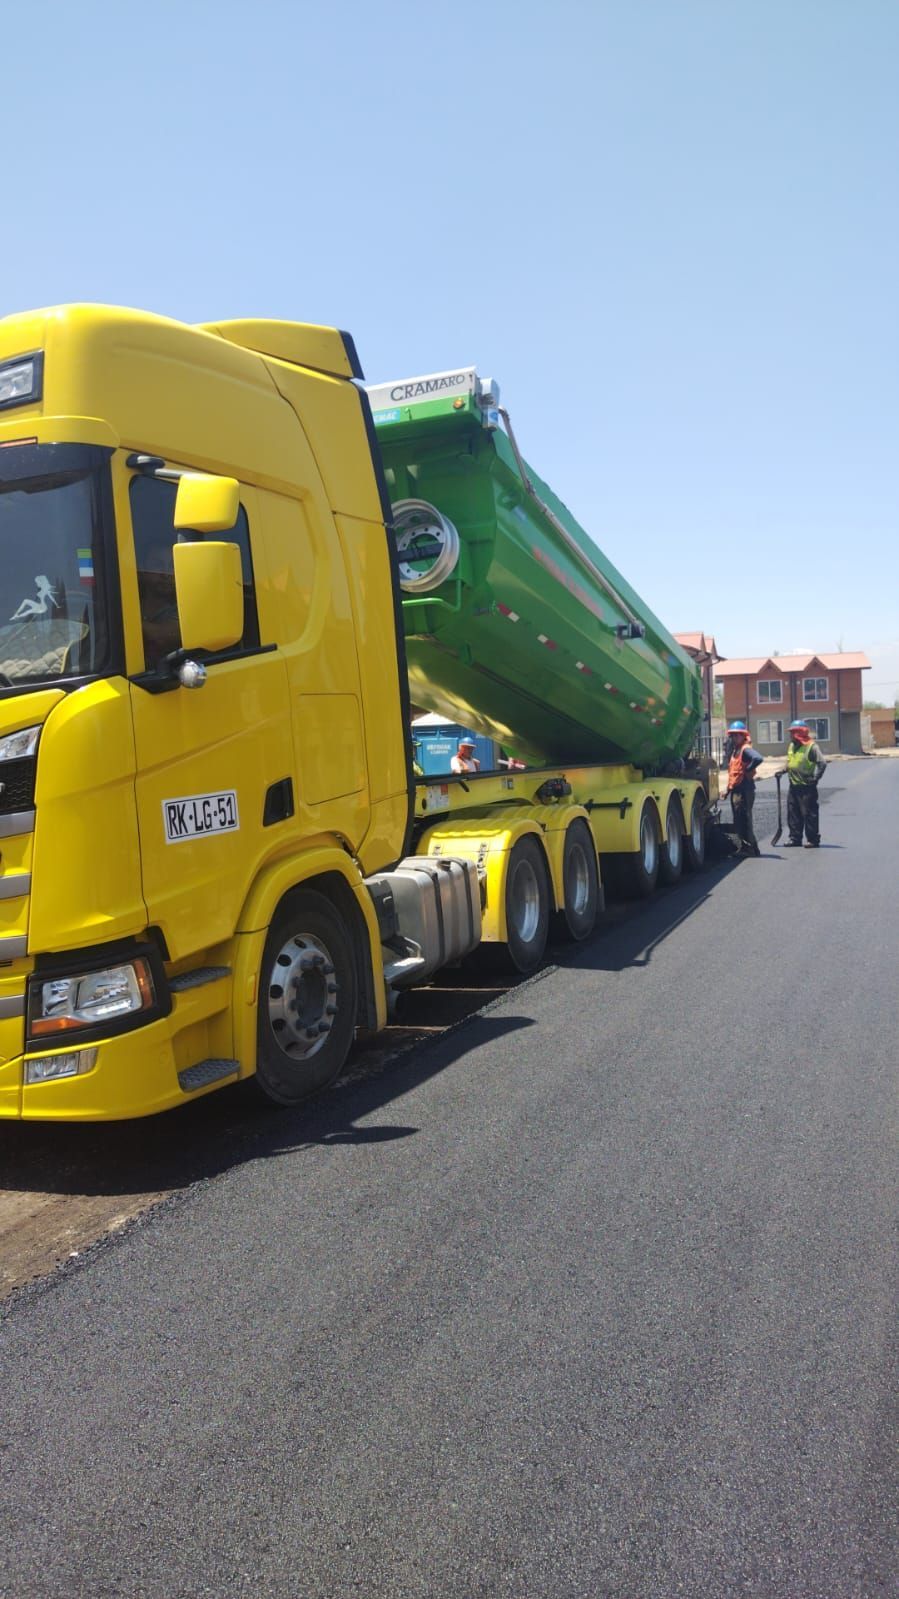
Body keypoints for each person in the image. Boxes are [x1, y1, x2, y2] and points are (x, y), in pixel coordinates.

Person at [780, 719, 827, 847]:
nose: (790, 736)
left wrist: (815, 778)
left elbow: (822, 763)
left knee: (809, 813)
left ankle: (813, 839)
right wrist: (783, 770)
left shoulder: (811, 746)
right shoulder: (792, 746)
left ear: (799, 733)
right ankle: (795, 838)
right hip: (793, 785)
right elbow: (790, 761)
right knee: (793, 812)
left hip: (807, 786)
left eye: (792, 733)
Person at [725, 719, 763, 856]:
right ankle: (747, 847)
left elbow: (758, 758)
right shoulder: (736, 751)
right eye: (733, 735)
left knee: (744, 819)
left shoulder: (745, 750)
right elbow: (733, 773)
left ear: (743, 735)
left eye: (737, 735)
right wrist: (728, 789)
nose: (734, 738)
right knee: (739, 820)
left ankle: (750, 848)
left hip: (745, 790)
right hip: (737, 790)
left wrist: (748, 769)